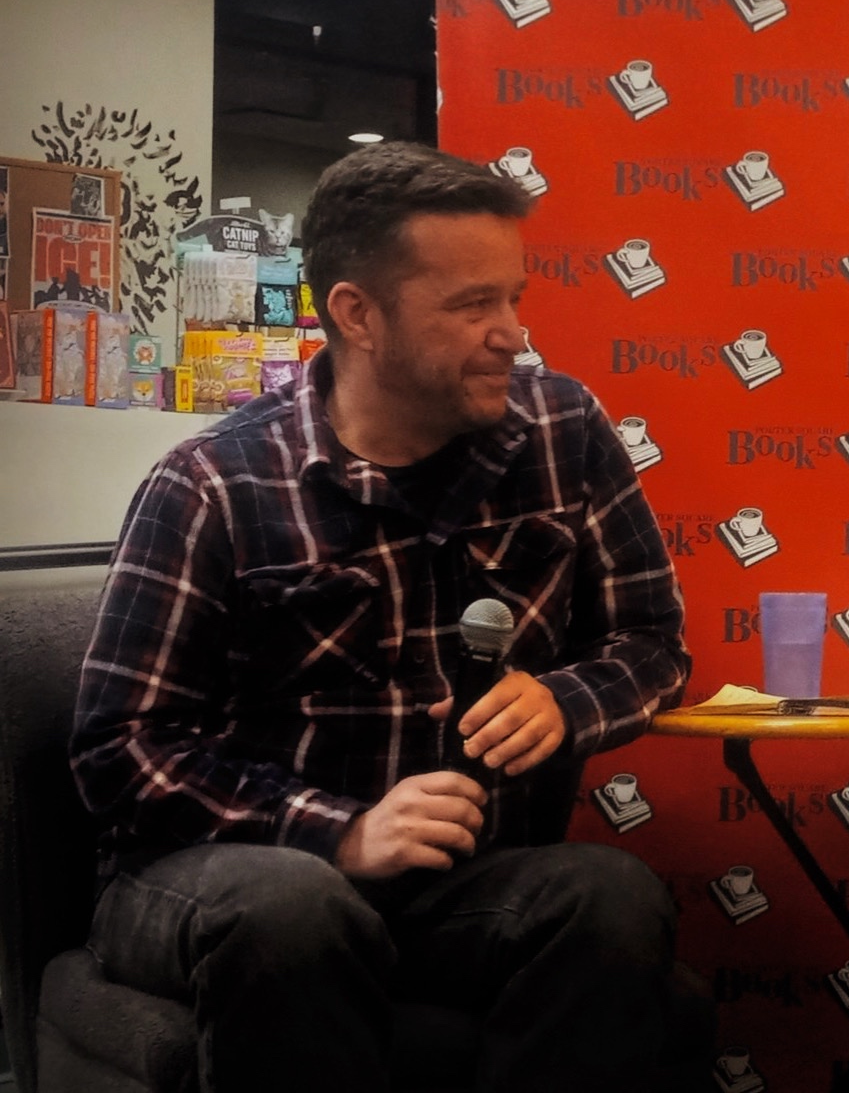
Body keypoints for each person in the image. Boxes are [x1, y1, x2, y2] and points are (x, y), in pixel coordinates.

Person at [71, 141, 699, 1093]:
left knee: (606, 895)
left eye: (514, 298)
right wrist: (339, 831)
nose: (513, 335)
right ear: (357, 314)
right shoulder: (213, 484)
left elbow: (650, 643)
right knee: (292, 906)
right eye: (472, 305)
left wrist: (565, 700)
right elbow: (120, 749)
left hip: (459, 882)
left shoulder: (562, 433)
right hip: (223, 873)